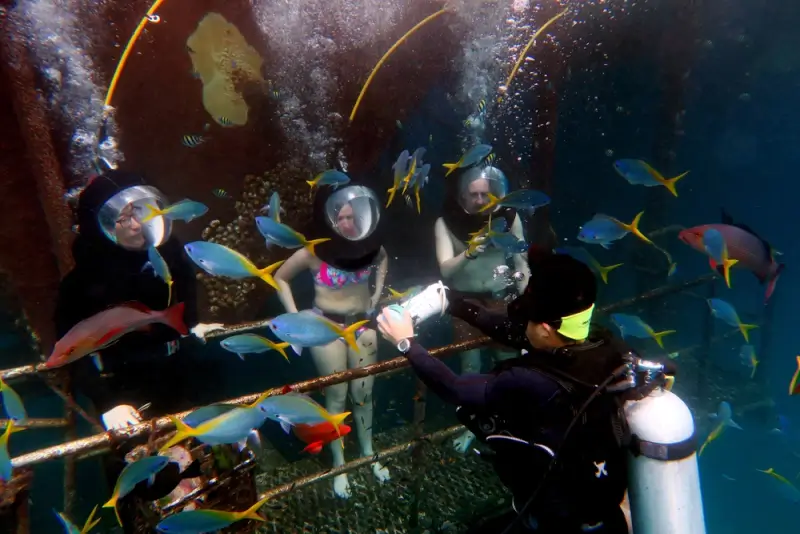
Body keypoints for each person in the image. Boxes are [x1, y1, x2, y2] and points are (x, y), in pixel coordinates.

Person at [377, 248, 647, 534]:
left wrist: (406, 342)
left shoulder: (530, 382)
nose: (521, 322)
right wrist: (452, 302)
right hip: (603, 512)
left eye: (528, 317)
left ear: (544, 328)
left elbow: (456, 389)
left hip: (553, 525)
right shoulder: (605, 348)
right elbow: (512, 332)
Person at [53, 171, 222, 527]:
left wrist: (193, 328)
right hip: (121, 387)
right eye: (121, 217)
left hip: (177, 376)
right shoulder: (79, 284)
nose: (135, 224)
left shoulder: (172, 254)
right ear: (98, 224)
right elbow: (70, 355)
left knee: (194, 473)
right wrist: (106, 403)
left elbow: (187, 301)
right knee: (142, 487)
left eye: (141, 211)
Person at [273, 183, 391, 499]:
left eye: (354, 217)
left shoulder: (370, 246)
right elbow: (280, 278)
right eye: (342, 217)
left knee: (364, 395)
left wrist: (376, 295)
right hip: (326, 329)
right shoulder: (312, 253)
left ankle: (367, 453)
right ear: (329, 219)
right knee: (335, 400)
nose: (349, 224)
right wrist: (296, 319)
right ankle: (340, 465)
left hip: (363, 326)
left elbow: (383, 260)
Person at [434, 165, 530, 453]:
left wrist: (527, 304)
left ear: (497, 195)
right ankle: (472, 429)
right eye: (473, 194)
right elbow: (445, 271)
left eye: (485, 195)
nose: (479, 201)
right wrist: (469, 252)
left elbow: (522, 263)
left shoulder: (510, 217)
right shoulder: (445, 223)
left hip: (502, 298)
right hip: (465, 302)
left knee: (508, 360)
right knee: (470, 366)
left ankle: (508, 422)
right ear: (462, 195)